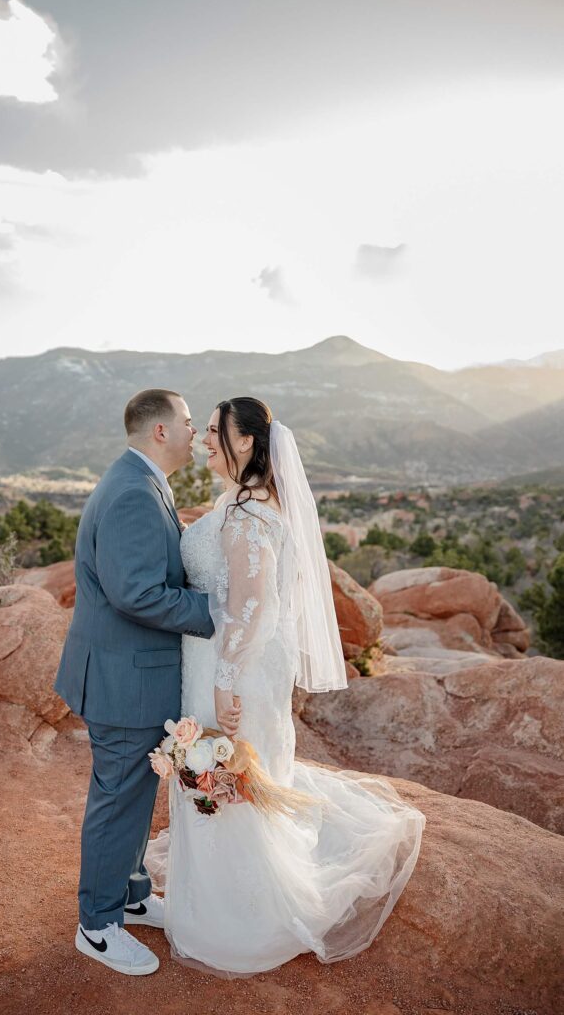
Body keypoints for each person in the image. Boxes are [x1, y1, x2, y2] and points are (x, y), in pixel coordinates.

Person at [144, 396, 426, 977]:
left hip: (233, 665)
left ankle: (242, 919)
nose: (204, 441)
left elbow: (254, 605)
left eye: (215, 432)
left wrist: (225, 682)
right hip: (227, 658)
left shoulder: (249, 514)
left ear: (245, 442)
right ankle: (218, 899)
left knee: (228, 770)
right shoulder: (241, 502)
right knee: (232, 771)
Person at [54, 389, 240, 976]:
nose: (196, 433)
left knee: (134, 793)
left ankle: (131, 895)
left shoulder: (139, 482)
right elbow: (136, 593)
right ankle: (99, 925)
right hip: (122, 679)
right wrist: (219, 613)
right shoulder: (134, 493)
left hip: (125, 672)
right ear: (161, 431)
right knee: (118, 799)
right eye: (189, 422)